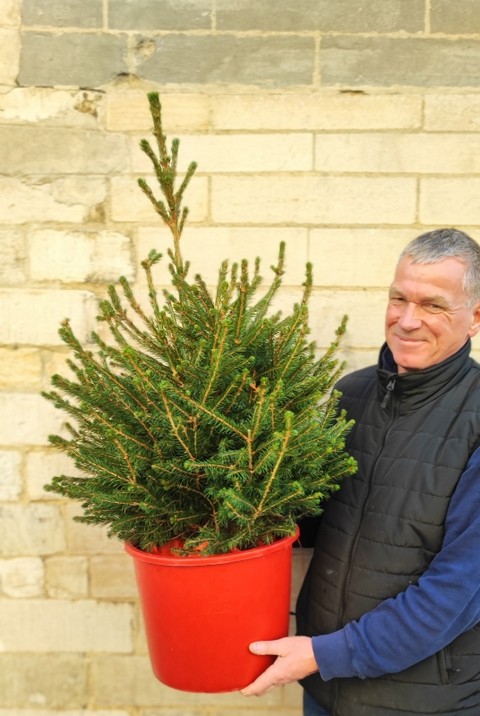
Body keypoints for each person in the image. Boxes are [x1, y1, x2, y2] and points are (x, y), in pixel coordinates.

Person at [241, 228, 480, 716]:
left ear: (475, 317)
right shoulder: (351, 395)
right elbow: (313, 519)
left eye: (433, 306)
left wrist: (326, 653)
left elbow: (457, 590)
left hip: (424, 701)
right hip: (326, 690)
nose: (407, 321)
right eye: (398, 299)